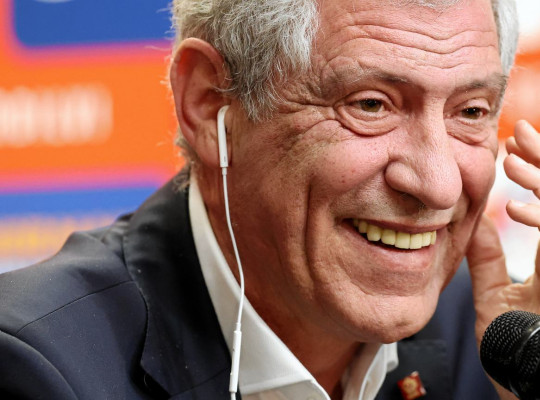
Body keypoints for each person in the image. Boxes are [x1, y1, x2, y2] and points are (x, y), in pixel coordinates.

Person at [0, 0, 539, 399]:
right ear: (210, 104)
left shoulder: (498, 342)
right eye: (371, 105)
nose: (440, 185)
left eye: (471, 111)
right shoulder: (37, 368)